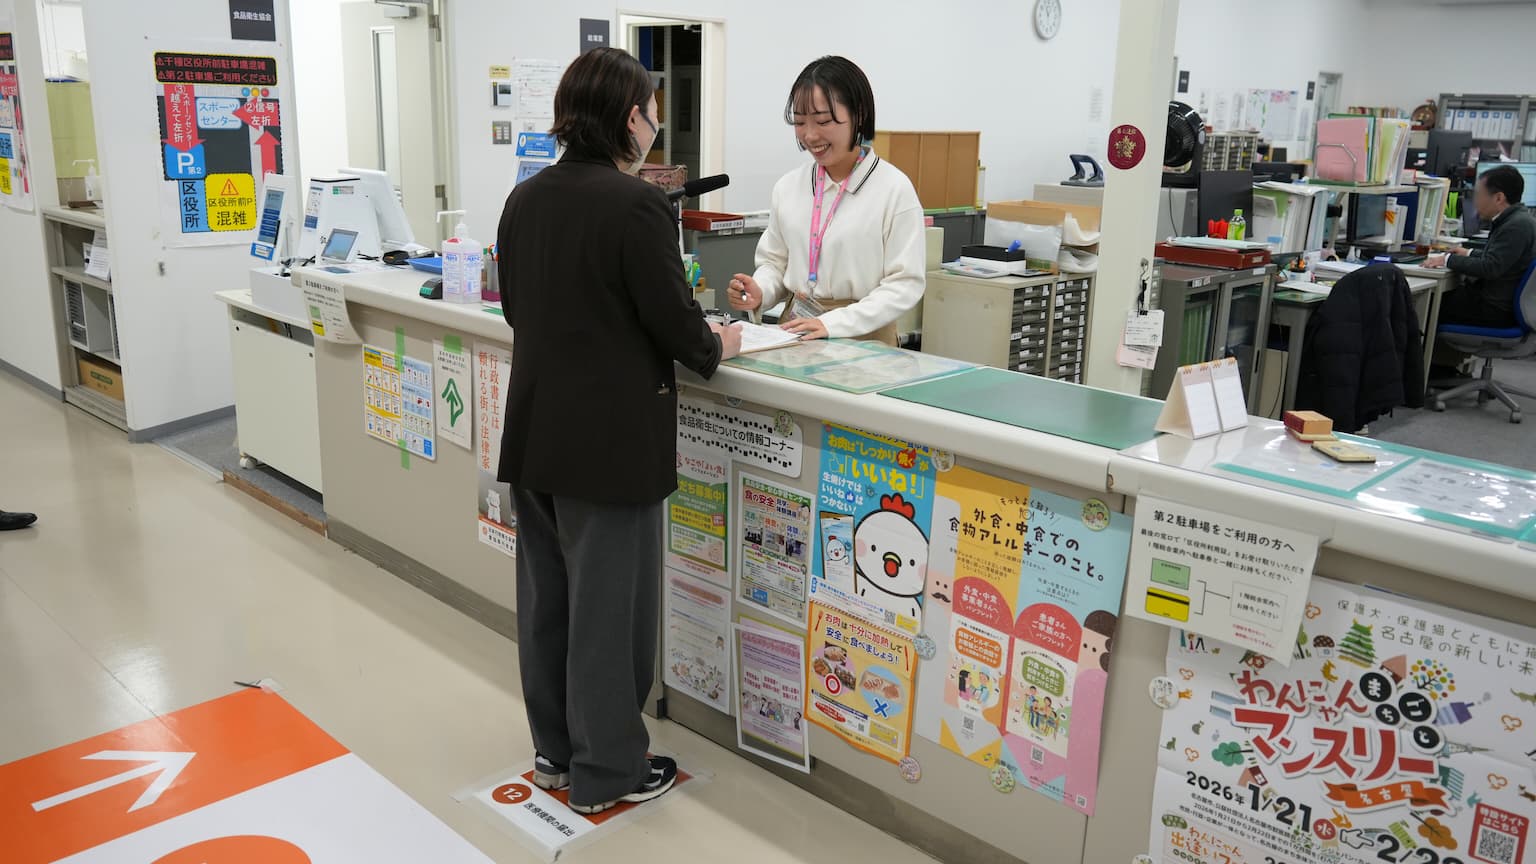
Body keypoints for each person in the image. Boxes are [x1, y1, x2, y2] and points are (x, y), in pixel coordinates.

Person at [494, 47, 742, 816]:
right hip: (609, 449)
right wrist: (726, 341)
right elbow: (682, 330)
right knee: (608, 616)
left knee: (549, 606)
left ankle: (557, 753)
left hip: (536, 436)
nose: (656, 125)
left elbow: (515, 308)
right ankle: (607, 770)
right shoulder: (636, 206)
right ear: (631, 118)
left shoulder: (524, 199)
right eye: (653, 112)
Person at [728, 56, 926, 345]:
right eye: (799, 122)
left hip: (864, 338)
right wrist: (760, 290)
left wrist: (831, 322)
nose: (810, 135)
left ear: (859, 114)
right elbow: (775, 263)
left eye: (823, 121)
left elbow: (905, 283)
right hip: (795, 332)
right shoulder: (789, 187)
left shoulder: (894, 189)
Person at [1426, 165, 1536, 375]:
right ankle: (1440, 368)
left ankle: (1426, 373)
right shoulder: (1518, 219)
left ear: (1499, 198)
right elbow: (1499, 259)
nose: (1475, 201)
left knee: (1426, 302)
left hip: (1495, 309)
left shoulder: (1516, 226)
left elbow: (1490, 267)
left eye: (1479, 195)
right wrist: (1467, 253)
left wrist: (1446, 259)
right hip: (1501, 304)